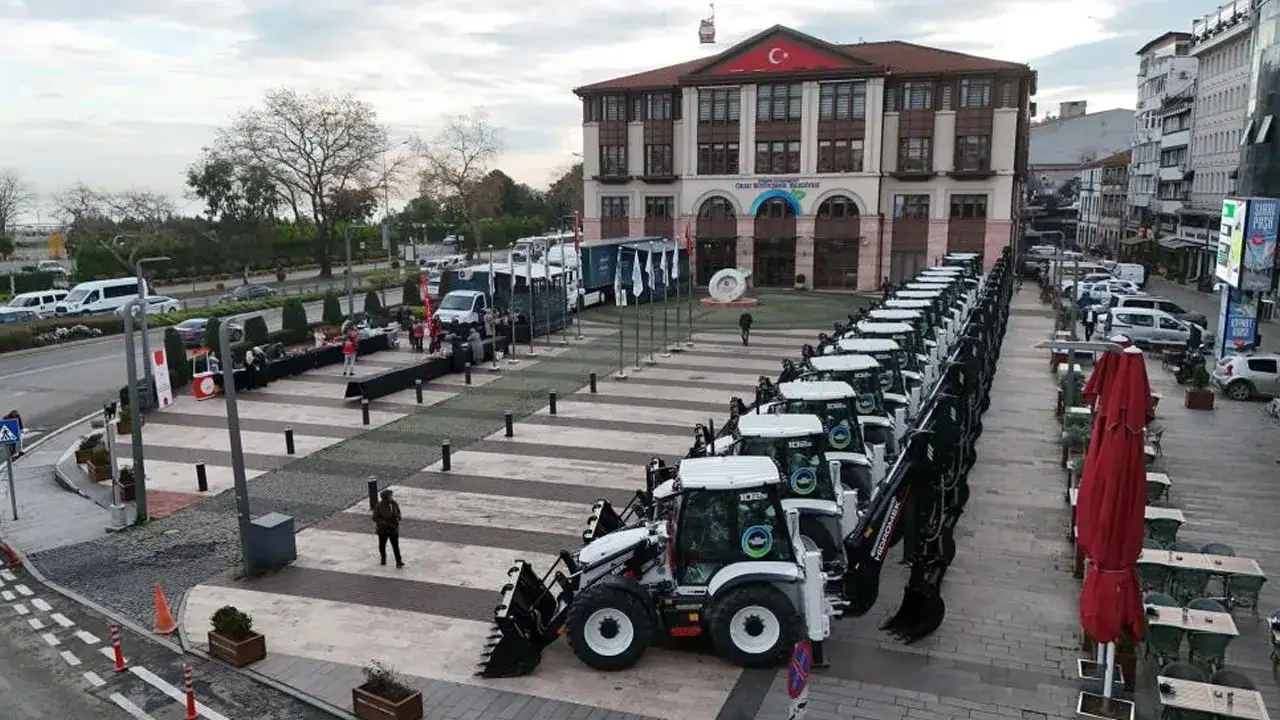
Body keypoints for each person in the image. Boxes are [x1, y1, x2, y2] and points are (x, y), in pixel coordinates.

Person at [372, 489, 404, 568]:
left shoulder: (394, 503)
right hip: (383, 529)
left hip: (393, 527)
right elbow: (375, 517)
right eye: (390, 496)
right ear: (386, 497)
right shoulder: (379, 505)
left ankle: (398, 561)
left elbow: (398, 512)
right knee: (382, 544)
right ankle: (383, 558)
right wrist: (383, 523)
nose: (391, 497)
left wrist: (398, 518)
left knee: (395, 545)